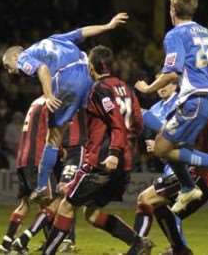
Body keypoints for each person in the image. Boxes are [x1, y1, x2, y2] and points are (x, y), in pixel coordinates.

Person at [2, 12, 128, 201]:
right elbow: (82, 32)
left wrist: (49, 95)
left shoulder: (23, 57)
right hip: (88, 73)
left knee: (53, 138)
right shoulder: (54, 39)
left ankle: (42, 186)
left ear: (14, 56)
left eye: (7, 66)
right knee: (104, 117)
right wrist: (108, 25)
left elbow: (42, 69)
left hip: (66, 80)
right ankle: (117, 147)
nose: (10, 71)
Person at [41, 46, 151, 255]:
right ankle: (138, 243)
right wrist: (126, 147)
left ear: (92, 67)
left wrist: (113, 151)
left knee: (66, 205)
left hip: (103, 161)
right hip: (125, 163)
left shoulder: (99, 89)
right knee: (91, 214)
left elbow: (116, 121)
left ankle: (48, 252)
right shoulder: (126, 88)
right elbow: (137, 122)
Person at [135, 0, 208, 213]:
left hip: (193, 100)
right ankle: (188, 187)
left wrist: (148, 88)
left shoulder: (175, 34)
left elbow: (171, 72)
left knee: (161, 148)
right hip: (207, 99)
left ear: (172, 10)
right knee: (175, 147)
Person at [136, 81, 208, 255]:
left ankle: (138, 247)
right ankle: (179, 250)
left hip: (196, 171)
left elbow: (177, 136)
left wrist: (143, 115)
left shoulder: (197, 106)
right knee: (169, 210)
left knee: (145, 200)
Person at [0, 97, 86, 255]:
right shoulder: (51, 102)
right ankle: (23, 240)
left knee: (25, 203)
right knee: (55, 201)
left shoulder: (35, 102)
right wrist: (59, 149)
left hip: (22, 159)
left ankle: (6, 243)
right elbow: (50, 132)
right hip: (37, 159)